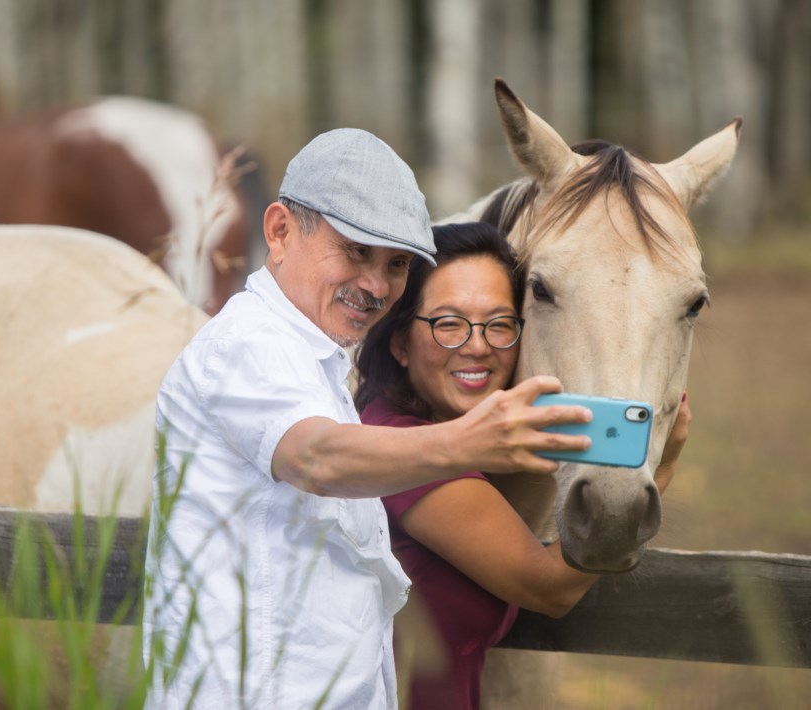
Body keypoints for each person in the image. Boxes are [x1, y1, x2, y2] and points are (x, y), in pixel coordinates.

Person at [141, 129, 595, 710]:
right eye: (356, 251)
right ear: (279, 231)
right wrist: (469, 442)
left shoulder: (317, 366)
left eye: (397, 264)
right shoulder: (248, 345)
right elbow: (315, 456)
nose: (377, 285)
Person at [354, 221, 691, 709]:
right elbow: (549, 587)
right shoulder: (406, 451)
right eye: (448, 323)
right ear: (400, 343)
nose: (477, 345)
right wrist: (661, 468)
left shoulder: (452, 446)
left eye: (499, 324)